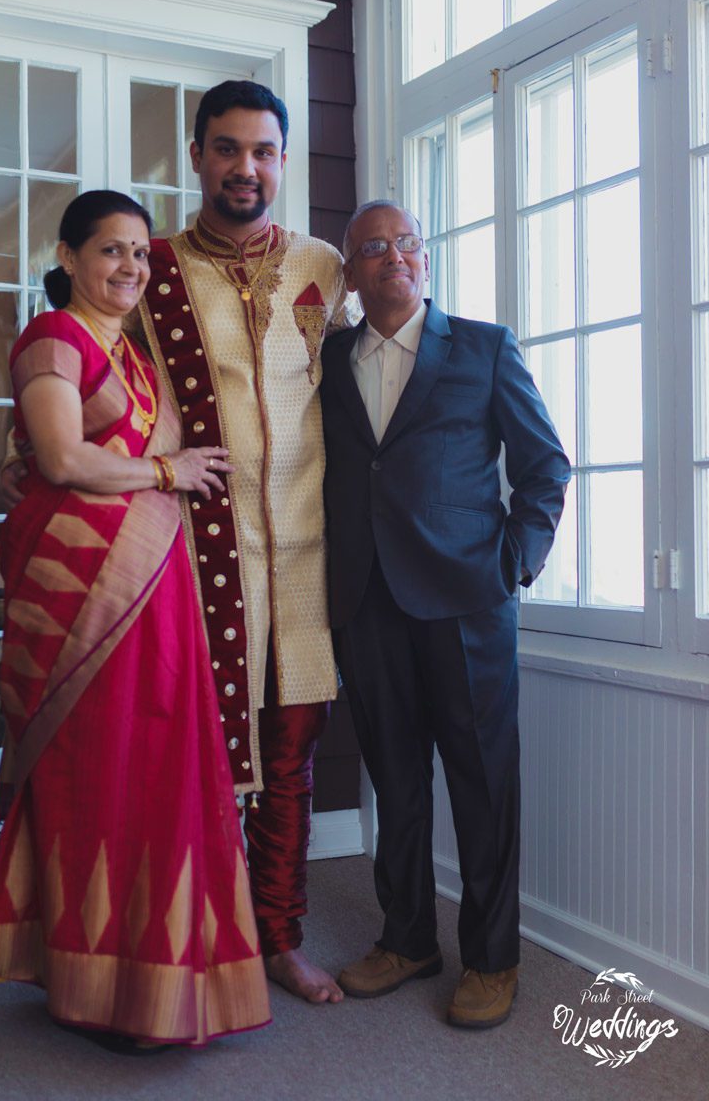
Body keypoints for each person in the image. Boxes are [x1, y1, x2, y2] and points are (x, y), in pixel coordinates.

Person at [0, 190, 271, 1050]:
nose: (130, 267)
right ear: (69, 257)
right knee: (95, 769)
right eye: (111, 250)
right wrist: (170, 471)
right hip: (79, 596)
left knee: (155, 764)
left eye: (141, 253)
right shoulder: (53, 339)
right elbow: (63, 458)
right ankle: (93, 985)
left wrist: (163, 471)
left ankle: (153, 980)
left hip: (153, 587)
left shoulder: (135, 359)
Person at [320, 200, 570, 1028]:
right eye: (373, 247)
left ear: (424, 260)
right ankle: (407, 940)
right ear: (351, 273)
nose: (394, 256)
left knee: (482, 782)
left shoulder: (485, 348)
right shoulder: (328, 361)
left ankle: (493, 959)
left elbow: (545, 468)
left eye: (407, 243)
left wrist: (514, 565)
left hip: (468, 604)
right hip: (366, 602)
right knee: (394, 779)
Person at [136, 79, 358, 1004]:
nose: (245, 167)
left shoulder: (324, 267)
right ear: (196, 156)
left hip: (308, 557)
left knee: (291, 759)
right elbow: (109, 388)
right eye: (226, 148)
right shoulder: (150, 269)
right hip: (195, 556)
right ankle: (197, 943)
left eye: (263, 151)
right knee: (194, 757)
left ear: (283, 161)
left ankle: (278, 940)